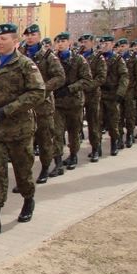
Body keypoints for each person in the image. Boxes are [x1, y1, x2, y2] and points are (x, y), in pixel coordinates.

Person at [0, 23, 45, 239]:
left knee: (23, 173)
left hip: (20, 129)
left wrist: (9, 110)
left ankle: (28, 199)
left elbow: (37, 93)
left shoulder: (25, 64)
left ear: (15, 41)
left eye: (3, 39)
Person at [19, 24, 65, 184]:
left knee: (45, 139)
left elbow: (59, 77)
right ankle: (26, 177)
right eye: (27, 35)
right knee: (25, 144)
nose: (30, 37)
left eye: (33, 34)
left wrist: (42, 89)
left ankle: (45, 168)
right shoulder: (19, 53)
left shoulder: (48, 56)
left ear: (39, 36)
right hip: (24, 105)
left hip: (42, 105)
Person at [50, 32, 92, 175]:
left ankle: (73, 155)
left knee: (74, 132)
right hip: (58, 103)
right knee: (57, 132)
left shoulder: (79, 60)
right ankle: (58, 163)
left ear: (69, 42)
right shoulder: (52, 59)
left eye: (63, 41)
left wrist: (70, 88)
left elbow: (87, 80)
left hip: (74, 102)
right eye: (57, 41)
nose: (60, 44)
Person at [99, 35, 129, 155]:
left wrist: (120, 93)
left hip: (112, 95)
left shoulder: (117, 59)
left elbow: (124, 77)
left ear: (112, 45)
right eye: (102, 44)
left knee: (113, 122)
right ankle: (97, 147)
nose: (104, 46)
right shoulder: (97, 58)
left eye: (107, 44)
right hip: (100, 94)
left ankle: (114, 143)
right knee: (98, 122)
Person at [80, 34, 106, 162]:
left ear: (92, 42)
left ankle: (96, 148)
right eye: (82, 42)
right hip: (78, 95)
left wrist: (87, 86)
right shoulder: (77, 56)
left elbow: (101, 77)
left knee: (93, 122)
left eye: (86, 42)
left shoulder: (98, 58)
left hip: (92, 95)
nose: (83, 44)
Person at [116, 38, 137, 148]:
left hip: (130, 91)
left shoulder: (135, 59)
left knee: (130, 115)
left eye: (122, 46)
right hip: (118, 91)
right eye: (119, 47)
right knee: (118, 116)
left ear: (127, 46)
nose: (120, 49)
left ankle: (130, 135)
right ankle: (119, 138)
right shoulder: (116, 59)